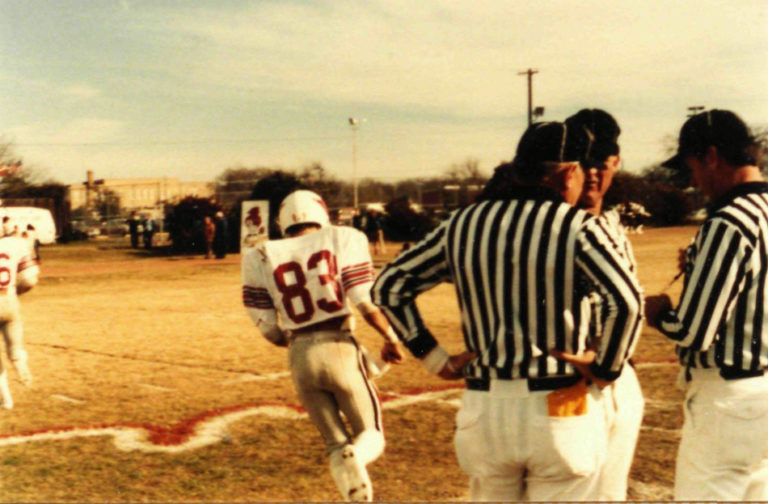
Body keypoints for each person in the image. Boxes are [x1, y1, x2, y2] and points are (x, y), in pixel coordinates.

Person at [372, 122, 643, 502]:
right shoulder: (577, 226)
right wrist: (606, 367)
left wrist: (436, 360)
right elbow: (627, 301)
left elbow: (389, 286)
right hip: (560, 406)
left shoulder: (461, 225)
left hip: (484, 409)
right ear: (568, 173)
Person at [241, 189, 404, 501]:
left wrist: (301, 341)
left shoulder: (259, 255)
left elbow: (269, 329)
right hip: (340, 343)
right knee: (372, 436)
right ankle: (357, 458)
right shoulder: (343, 238)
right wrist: (391, 338)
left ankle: (355, 496)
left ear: (282, 221)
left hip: (300, 355)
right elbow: (365, 304)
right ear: (321, 213)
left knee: (335, 445)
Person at [645, 109, 768, 501]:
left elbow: (695, 332)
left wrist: (660, 313)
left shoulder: (727, 223)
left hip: (729, 399)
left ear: (712, 156)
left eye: (693, 167)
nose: (694, 181)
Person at [566, 109, 645, 500]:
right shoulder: (551, 227)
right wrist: (433, 356)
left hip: (619, 378)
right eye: (584, 162)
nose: (593, 173)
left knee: (610, 495)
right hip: (569, 383)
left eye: (601, 162)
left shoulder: (613, 225)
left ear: (616, 162)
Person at [0, 232, 40, 409]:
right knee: (15, 348)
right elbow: (30, 279)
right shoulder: (14, 244)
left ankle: (5, 399)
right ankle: (22, 368)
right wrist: (15, 293)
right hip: (9, 300)